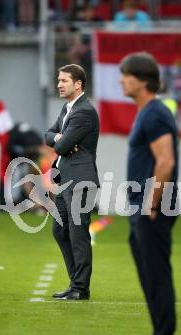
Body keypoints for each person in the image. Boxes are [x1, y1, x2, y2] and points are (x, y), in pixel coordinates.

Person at [119, 52, 179, 335]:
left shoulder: (154, 113)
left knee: (156, 276)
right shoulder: (146, 112)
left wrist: (151, 204)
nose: (120, 80)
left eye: (125, 74)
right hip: (142, 205)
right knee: (149, 277)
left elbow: (165, 162)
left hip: (151, 206)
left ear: (141, 80)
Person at [45, 64, 100, 301]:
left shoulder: (84, 111)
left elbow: (60, 146)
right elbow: (49, 135)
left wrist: (60, 140)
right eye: (59, 80)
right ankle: (75, 282)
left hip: (80, 180)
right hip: (66, 179)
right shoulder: (67, 108)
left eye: (64, 80)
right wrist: (60, 137)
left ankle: (80, 288)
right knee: (60, 230)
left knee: (78, 234)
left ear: (78, 84)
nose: (59, 84)